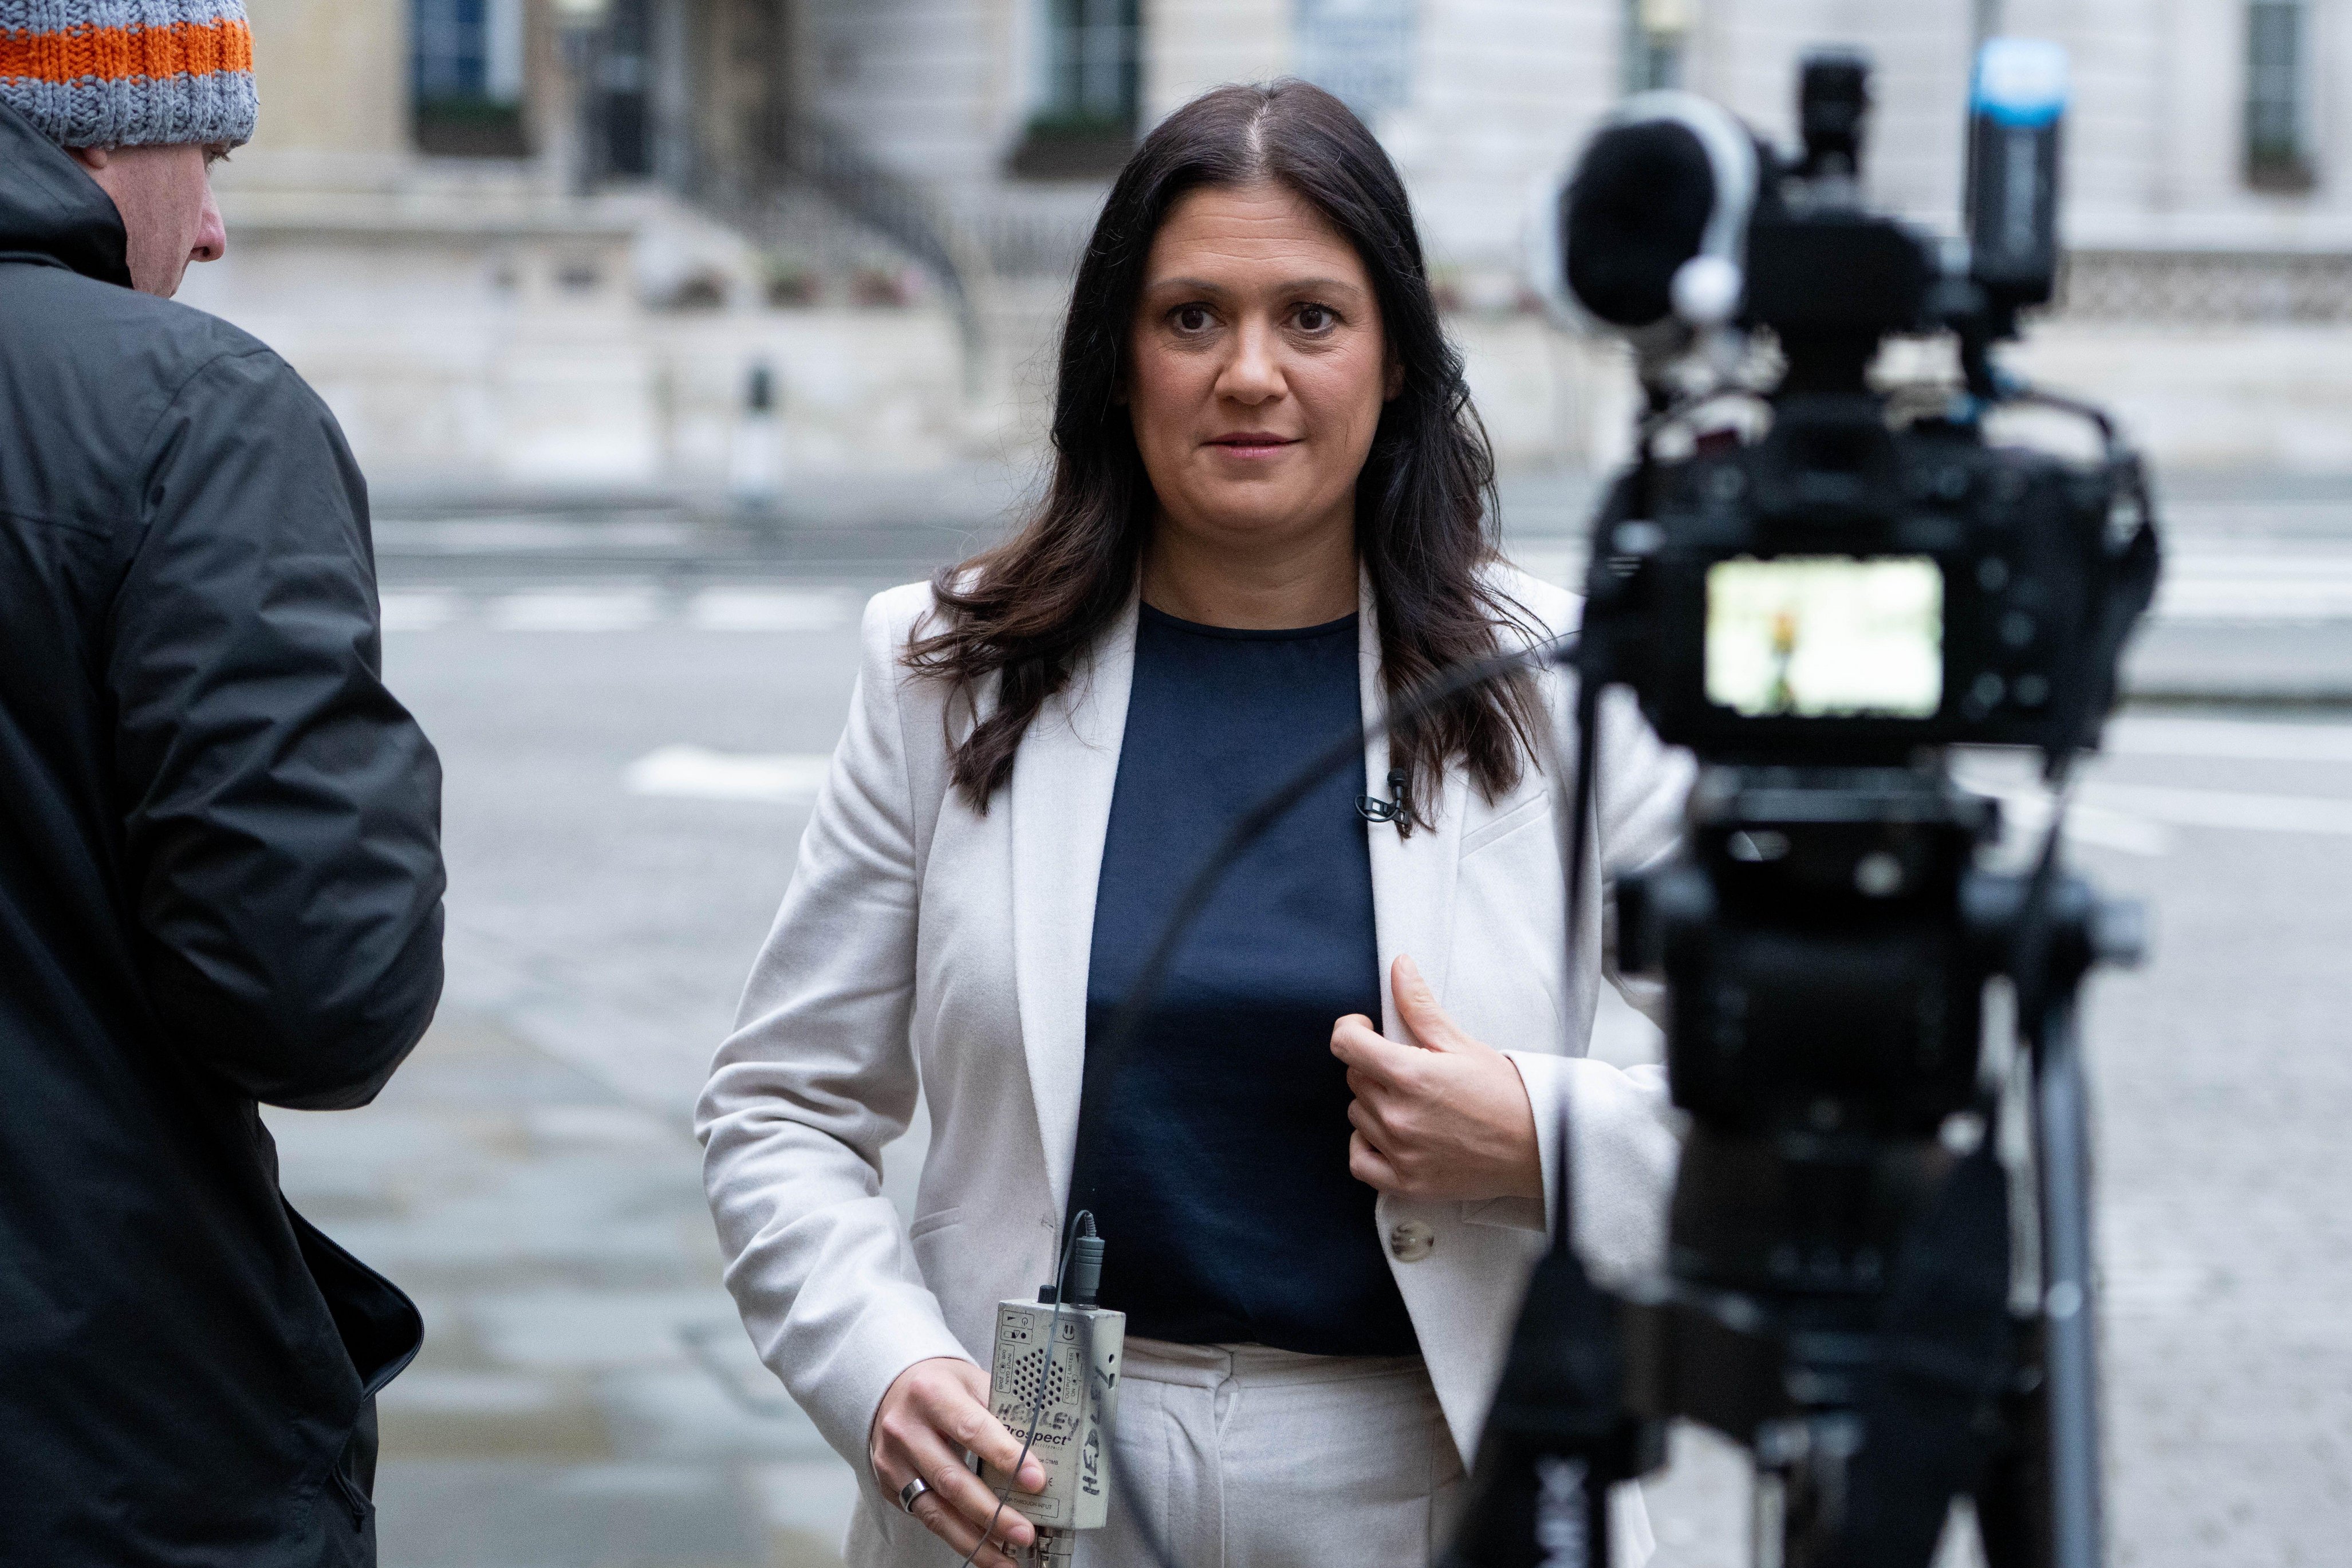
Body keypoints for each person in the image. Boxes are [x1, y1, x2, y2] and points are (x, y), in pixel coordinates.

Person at [700, 81, 1690, 1567]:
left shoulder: (1560, 683)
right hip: (1035, 1465)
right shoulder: (941, 671)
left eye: (1309, 317)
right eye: (1189, 319)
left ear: (1398, 360)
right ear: (1115, 360)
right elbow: (781, 1106)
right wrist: (883, 1367)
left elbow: (1790, 1107)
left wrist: (1539, 1132)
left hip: (1428, 1472)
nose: (1247, 373)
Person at [0, 7, 447, 1566]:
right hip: (94, 1434)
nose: (215, 223)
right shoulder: (188, 411)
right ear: (96, 126)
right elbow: (313, 991)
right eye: (207, 154)